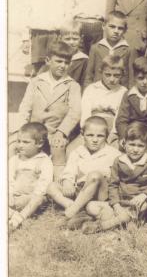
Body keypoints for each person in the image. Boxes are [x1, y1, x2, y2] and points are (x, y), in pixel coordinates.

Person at [81, 121, 147, 233]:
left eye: (140, 146)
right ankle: (125, 221)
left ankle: (103, 226)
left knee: (143, 207)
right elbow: (113, 185)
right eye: (132, 144)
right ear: (124, 143)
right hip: (121, 202)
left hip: (139, 203)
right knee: (91, 206)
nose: (135, 149)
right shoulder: (119, 161)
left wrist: (144, 195)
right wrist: (116, 205)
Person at [16, 42, 81, 177]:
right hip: (33, 131)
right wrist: (23, 129)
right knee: (15, 146)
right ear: (48, 60)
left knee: (58, 147)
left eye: (66, 62)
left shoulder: (72, 85)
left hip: (55, 132)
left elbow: (75, 112)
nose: (62, 66)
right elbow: (25, 107)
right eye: (58, 61)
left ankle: (57, 181)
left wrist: (61, 132)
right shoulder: (36, 81)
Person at [46, 116, 121, 224]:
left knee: (94, 175)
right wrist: (67, 183)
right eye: (90, 135)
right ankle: (74, 207)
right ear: (82, 135)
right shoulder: (77, 152)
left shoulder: (114, 154)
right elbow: (69, 172)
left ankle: (71, 212)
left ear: (106, 136)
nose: (95, 140)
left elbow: (117, 180)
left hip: (100, 194)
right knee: (51, 187)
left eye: (100, 136)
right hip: (80, 191)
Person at [21, 0, 71, 74]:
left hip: (56, 36)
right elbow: (25, 18)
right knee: (38, 68)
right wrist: (25, 40)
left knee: (55, 65)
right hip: (37, 36)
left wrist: (65, 36)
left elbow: (68, 16)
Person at [73, 54, 127, 152]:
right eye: (108, 74)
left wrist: (114, 133)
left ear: (122, 75)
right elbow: (85, 113)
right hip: (91, 126)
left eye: (116, 75)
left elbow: (120, 116)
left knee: (114, 151)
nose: (112, 79)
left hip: (112, 129)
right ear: (101, 72)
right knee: (73, 150)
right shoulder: (91, 89)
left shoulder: (123, 91)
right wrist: (87, 130)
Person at [8, 123, 53, 230]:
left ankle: (19, 218)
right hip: (14, 196)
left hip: (31, 197)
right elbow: (9, 179)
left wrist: (32, 196)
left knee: (39, 199)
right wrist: (10, 194)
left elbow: (44, 183)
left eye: (25, 142)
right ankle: (12, 213)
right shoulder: (15, 159)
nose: (20, 145)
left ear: (39, 143)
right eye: (18, 141)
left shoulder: (44, 160)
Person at [84, 11, 135, 89]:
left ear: (125, 30)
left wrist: (129, 94)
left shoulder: (130, 50)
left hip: (120, 92)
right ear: (104, 26)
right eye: (112, 26)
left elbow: (132, 78)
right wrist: (88, 92)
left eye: (120, 28)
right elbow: (89, 75)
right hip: (99, 90)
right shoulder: (95, 48)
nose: (116, 31)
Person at [52, 21, 88, 88]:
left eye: (75, 39)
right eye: (67, 39)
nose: (71, 42)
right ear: (60, 38)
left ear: (81, 38)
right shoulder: (56, 57)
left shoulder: (84, 60)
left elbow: (84, 83)